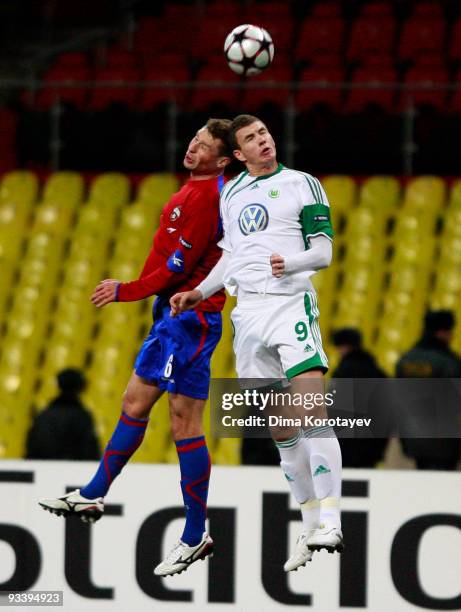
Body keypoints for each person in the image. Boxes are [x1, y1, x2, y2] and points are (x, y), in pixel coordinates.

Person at [39, 119, 232, 576]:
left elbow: (177, 265)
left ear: (222, 161)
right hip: (179, 316)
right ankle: (187, 529)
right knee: (174, 418)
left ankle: (101, 495)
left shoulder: (208, 197)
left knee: (149, 406)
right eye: (194, 138)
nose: (193, 146)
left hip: (188, 319)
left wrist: (127, 289)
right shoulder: (196, 190)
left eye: (205, 145)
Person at [171, 114, 343, 572]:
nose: (263, 141)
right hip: (247, 314)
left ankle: (331, 519)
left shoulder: (303, 184)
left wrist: (290, 263)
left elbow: (324, 252)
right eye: (251, 139)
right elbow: (231, 255)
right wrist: (200, 292)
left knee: (310, 407)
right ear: (239, 155)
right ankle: (308, 526)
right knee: (282, 428)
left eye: (264, 133)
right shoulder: (233, 193)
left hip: (290, 305)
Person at [396, 310, 461, 470]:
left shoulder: (406, 360)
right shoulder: (449, 362)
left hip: (413, 435)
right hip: (444, 439)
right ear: (442, 332)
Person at [331, 328, 389, 468]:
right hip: (371, 442)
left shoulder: (342, 372)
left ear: (343, 347)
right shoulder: (377, 371)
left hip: (346, 441)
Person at [26, 368, 100, 460]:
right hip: (72, 470)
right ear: (80, 387)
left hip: (44, 469)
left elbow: (32, 448)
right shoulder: (82, 417)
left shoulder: (44, 414)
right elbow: (89, 451)